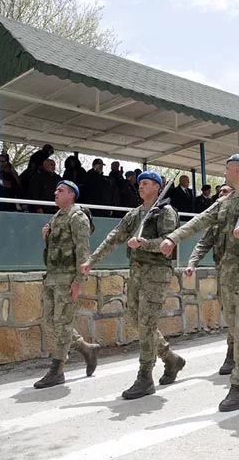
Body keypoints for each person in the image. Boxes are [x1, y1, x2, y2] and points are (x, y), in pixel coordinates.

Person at [160, 154, 239, 413]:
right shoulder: (225, 202)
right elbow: (200, 220)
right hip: (228, 272)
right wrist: (173, 237)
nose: (224, 173)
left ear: (237, 169)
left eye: (227, 169)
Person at [82, 171, 186, 399]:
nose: (140, 186)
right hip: (137, 272)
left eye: (146, 183)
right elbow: (115, 236)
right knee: (136, 319)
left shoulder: (165, 212)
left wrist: (145, 243)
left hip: (156, 273)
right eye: (139, 183)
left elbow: (169, 241)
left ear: (158, 187)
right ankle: (170, 358)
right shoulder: (135, 213)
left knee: (147, 323)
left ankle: (145, 377)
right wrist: (92, 259)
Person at [34, 180, 101, 389]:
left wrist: (79, 281)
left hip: (67, 279)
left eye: (60, 190)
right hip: (52, 277)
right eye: (55, 189)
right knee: (51, 320)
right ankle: (86, 348)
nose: (55, 193)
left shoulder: (77, 216)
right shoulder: (56, 217)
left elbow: (83, 250)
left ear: (71, 195)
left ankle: (58, 369)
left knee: (62, 323)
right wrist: (46, 236)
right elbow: (55, 249)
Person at [185, 184, 235, 375]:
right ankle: (237, 352)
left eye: (225, 191)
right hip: (223, 273)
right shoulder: (216, 223)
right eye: (219, 191)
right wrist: (192, 263)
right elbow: (203, 244)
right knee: (230, 314)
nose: (220, 194)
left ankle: (234, 354)